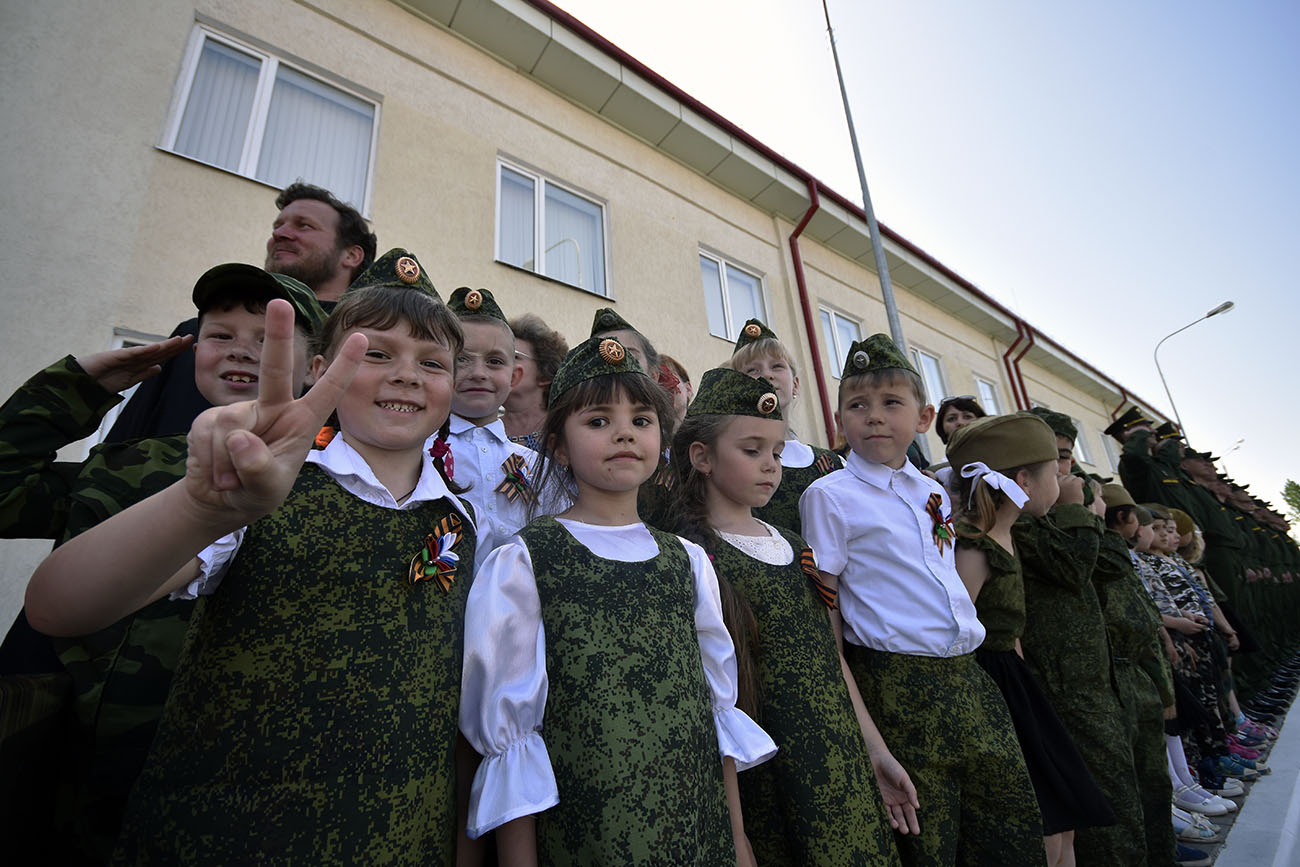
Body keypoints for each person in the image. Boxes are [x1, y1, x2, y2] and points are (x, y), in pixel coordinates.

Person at [26, 282, 476, 863]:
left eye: (432, 363)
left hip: (401, 841)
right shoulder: (261, 491)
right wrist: (201, 509)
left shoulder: (464, 520)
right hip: (223, 838)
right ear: (320, 371)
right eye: (375, 353)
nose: (407, 375)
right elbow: (58, 606)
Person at [0, 264, 324, 862]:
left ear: (315, 369)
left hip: (217, 788)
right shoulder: (124, 465)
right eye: (220, 335)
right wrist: (77, 388)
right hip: (70, 771)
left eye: (267, 338)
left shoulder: (335, 486)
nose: (241, 351)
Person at [460, 336, 776, 865]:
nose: (624, 432)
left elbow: (718, 714)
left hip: (699, 836)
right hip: (591, 837)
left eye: (641, 420)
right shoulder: (524, 561)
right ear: (559, 446)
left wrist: (738, 839)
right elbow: (510, 743)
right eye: (599, 420)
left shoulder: (687, 561)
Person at [798, 334, 1042, 866]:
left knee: (1011, 834)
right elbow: (827, 620)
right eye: (857, 405)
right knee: (928, 844)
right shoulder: (830, 496)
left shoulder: (932, 491)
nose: (873, 416)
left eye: (891, 402)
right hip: (897, 688)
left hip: (970, 678)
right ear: (839, 420)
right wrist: (870, 737)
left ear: (924, 417)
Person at [671, 366, 914, 865]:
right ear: (702, 457)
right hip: (768, 774)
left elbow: (830, 658)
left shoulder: (794, 544)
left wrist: (875, 750)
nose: (771, 466)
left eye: (778, 453)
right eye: (752, 450)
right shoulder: (690, 555)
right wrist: (735, 833)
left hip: (839, 759)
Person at [946, 413, 1116, 867]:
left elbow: (1010, 632)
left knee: (1064, 821)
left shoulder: (1007, 536)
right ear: (1023, 480)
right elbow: (956, 634)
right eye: (1054, 474)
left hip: (1017, 681)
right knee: (1042, 831)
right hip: (990, 686)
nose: (1061, 483)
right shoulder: (975, 546)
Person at [104, 183, 377, 443]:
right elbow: (124, 442)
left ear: (351, 256)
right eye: (277, 226)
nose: (280, 234)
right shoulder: (192, 334)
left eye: (304, 225)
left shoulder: (371, 345)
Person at [1013, 407, 1149, 865]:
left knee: (1129, 795)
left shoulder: (1065, 516)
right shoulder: (1024, 518)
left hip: (1097, 680)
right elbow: (1072, 570)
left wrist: (1091, 515)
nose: (1062, 466)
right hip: (1063, 686)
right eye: (1052, 455)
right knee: (1105, 813)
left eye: (1067, 455)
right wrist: (1075, 510)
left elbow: (1113, 564)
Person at [444, 286, 551, 550]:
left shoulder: (539, 467)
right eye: (462, 359)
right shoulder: (418, 453)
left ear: (514, 377)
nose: (479, 373)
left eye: (494, 361)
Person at [729, 319, 840, 535]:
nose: (766, 375)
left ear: (795, 384)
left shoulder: (830, 465)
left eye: (777, 366)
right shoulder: (725, 460)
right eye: (752, 370)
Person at [503, 313, 568, 451]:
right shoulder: (481, 432)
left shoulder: (566, 433)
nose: (500, 365)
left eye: (514, 356)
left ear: (545, 375)